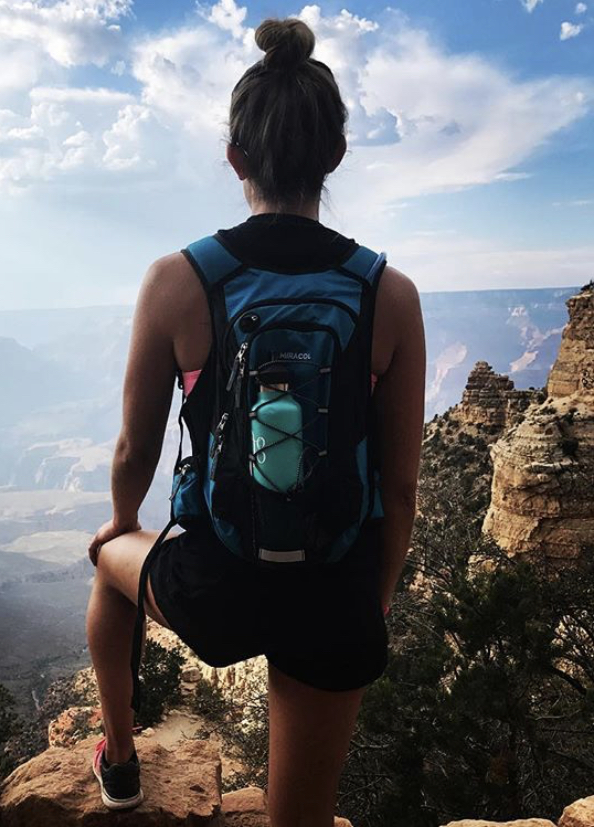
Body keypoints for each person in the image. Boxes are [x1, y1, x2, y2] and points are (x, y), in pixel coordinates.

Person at [86, 15, 425, 827]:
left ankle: (120, 761)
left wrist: (123, 526)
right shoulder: (390, 294)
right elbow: (403, 486)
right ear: (335, 156)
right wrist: (371, 602)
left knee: (105, 560)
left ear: (235, 157)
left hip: (216, 586)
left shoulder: (177, 279)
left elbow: (136, 446)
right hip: (334, 593)